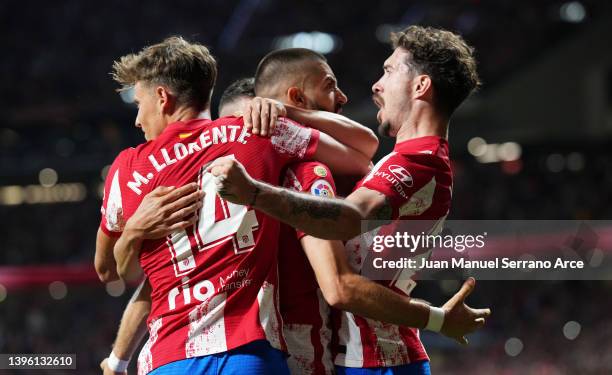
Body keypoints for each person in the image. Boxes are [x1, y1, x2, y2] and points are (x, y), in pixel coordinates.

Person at [208, 26, 488, 374]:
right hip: (363, 356)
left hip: (381, 359)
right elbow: (362, 146)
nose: (376, 85)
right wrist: (286, 112)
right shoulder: (399, 159)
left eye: (388, 71)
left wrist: (254, 193)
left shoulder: (419, 162)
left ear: (420, 86)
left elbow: (347, 222)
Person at [96, 37, 372, 375]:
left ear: (162, 98)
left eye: (138, 104)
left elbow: (113, 271)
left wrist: (133, 233)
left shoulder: (128, 168)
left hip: (168, 355)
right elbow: (362, 156)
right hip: (249, 350)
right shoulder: (258, 133)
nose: (137, 120)